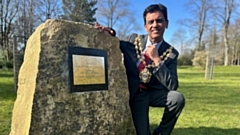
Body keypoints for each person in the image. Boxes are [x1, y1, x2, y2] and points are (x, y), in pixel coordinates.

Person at [95, 3, 185, 135]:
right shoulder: (134, 40)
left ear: (166, 23)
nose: (155, 25)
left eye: (159, 21)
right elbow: (117, 42)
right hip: (137, 94)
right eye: (151, 22)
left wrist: (157, 60)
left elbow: (172, 85)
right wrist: (110, 32)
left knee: (178, 98)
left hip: (154, 93)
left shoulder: (171, 52)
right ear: (145, 26)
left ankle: (161, 132)